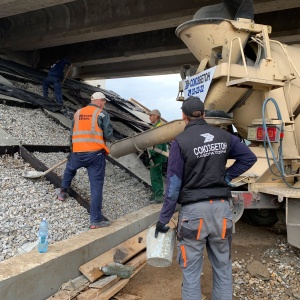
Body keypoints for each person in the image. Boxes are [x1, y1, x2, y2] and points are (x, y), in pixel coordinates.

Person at [154, 96, 257, 300]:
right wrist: (226, 176)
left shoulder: (180, 142)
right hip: (221, 211)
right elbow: (249, 157)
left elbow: (173, 187)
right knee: (222, 267)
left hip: (194, 214)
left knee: (191, 272)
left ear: (183, 116)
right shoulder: (223, 136)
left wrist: (163, 219)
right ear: (203, 114)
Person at [56, 91, 114, 229]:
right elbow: (109, 135)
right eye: (104, 102)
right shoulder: (102, 114)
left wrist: (71, 150)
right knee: (96, 187)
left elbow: (72, 133)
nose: (104, 105)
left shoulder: (78, 113)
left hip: (77, 152)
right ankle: (95, 221)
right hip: (95, 155)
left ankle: (63, 192)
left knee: (70, 169)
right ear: (99, 101)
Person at [147, 109, 167, 203]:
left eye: (151, 115)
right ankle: (156, 193)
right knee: (155, 175)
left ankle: (158, 196)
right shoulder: (156, 126)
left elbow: (158, 142)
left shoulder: (159, 127)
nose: (149, 117)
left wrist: (153, 153)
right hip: (157, 155)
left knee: (156, 176)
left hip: (157, 155)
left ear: (156, 116)